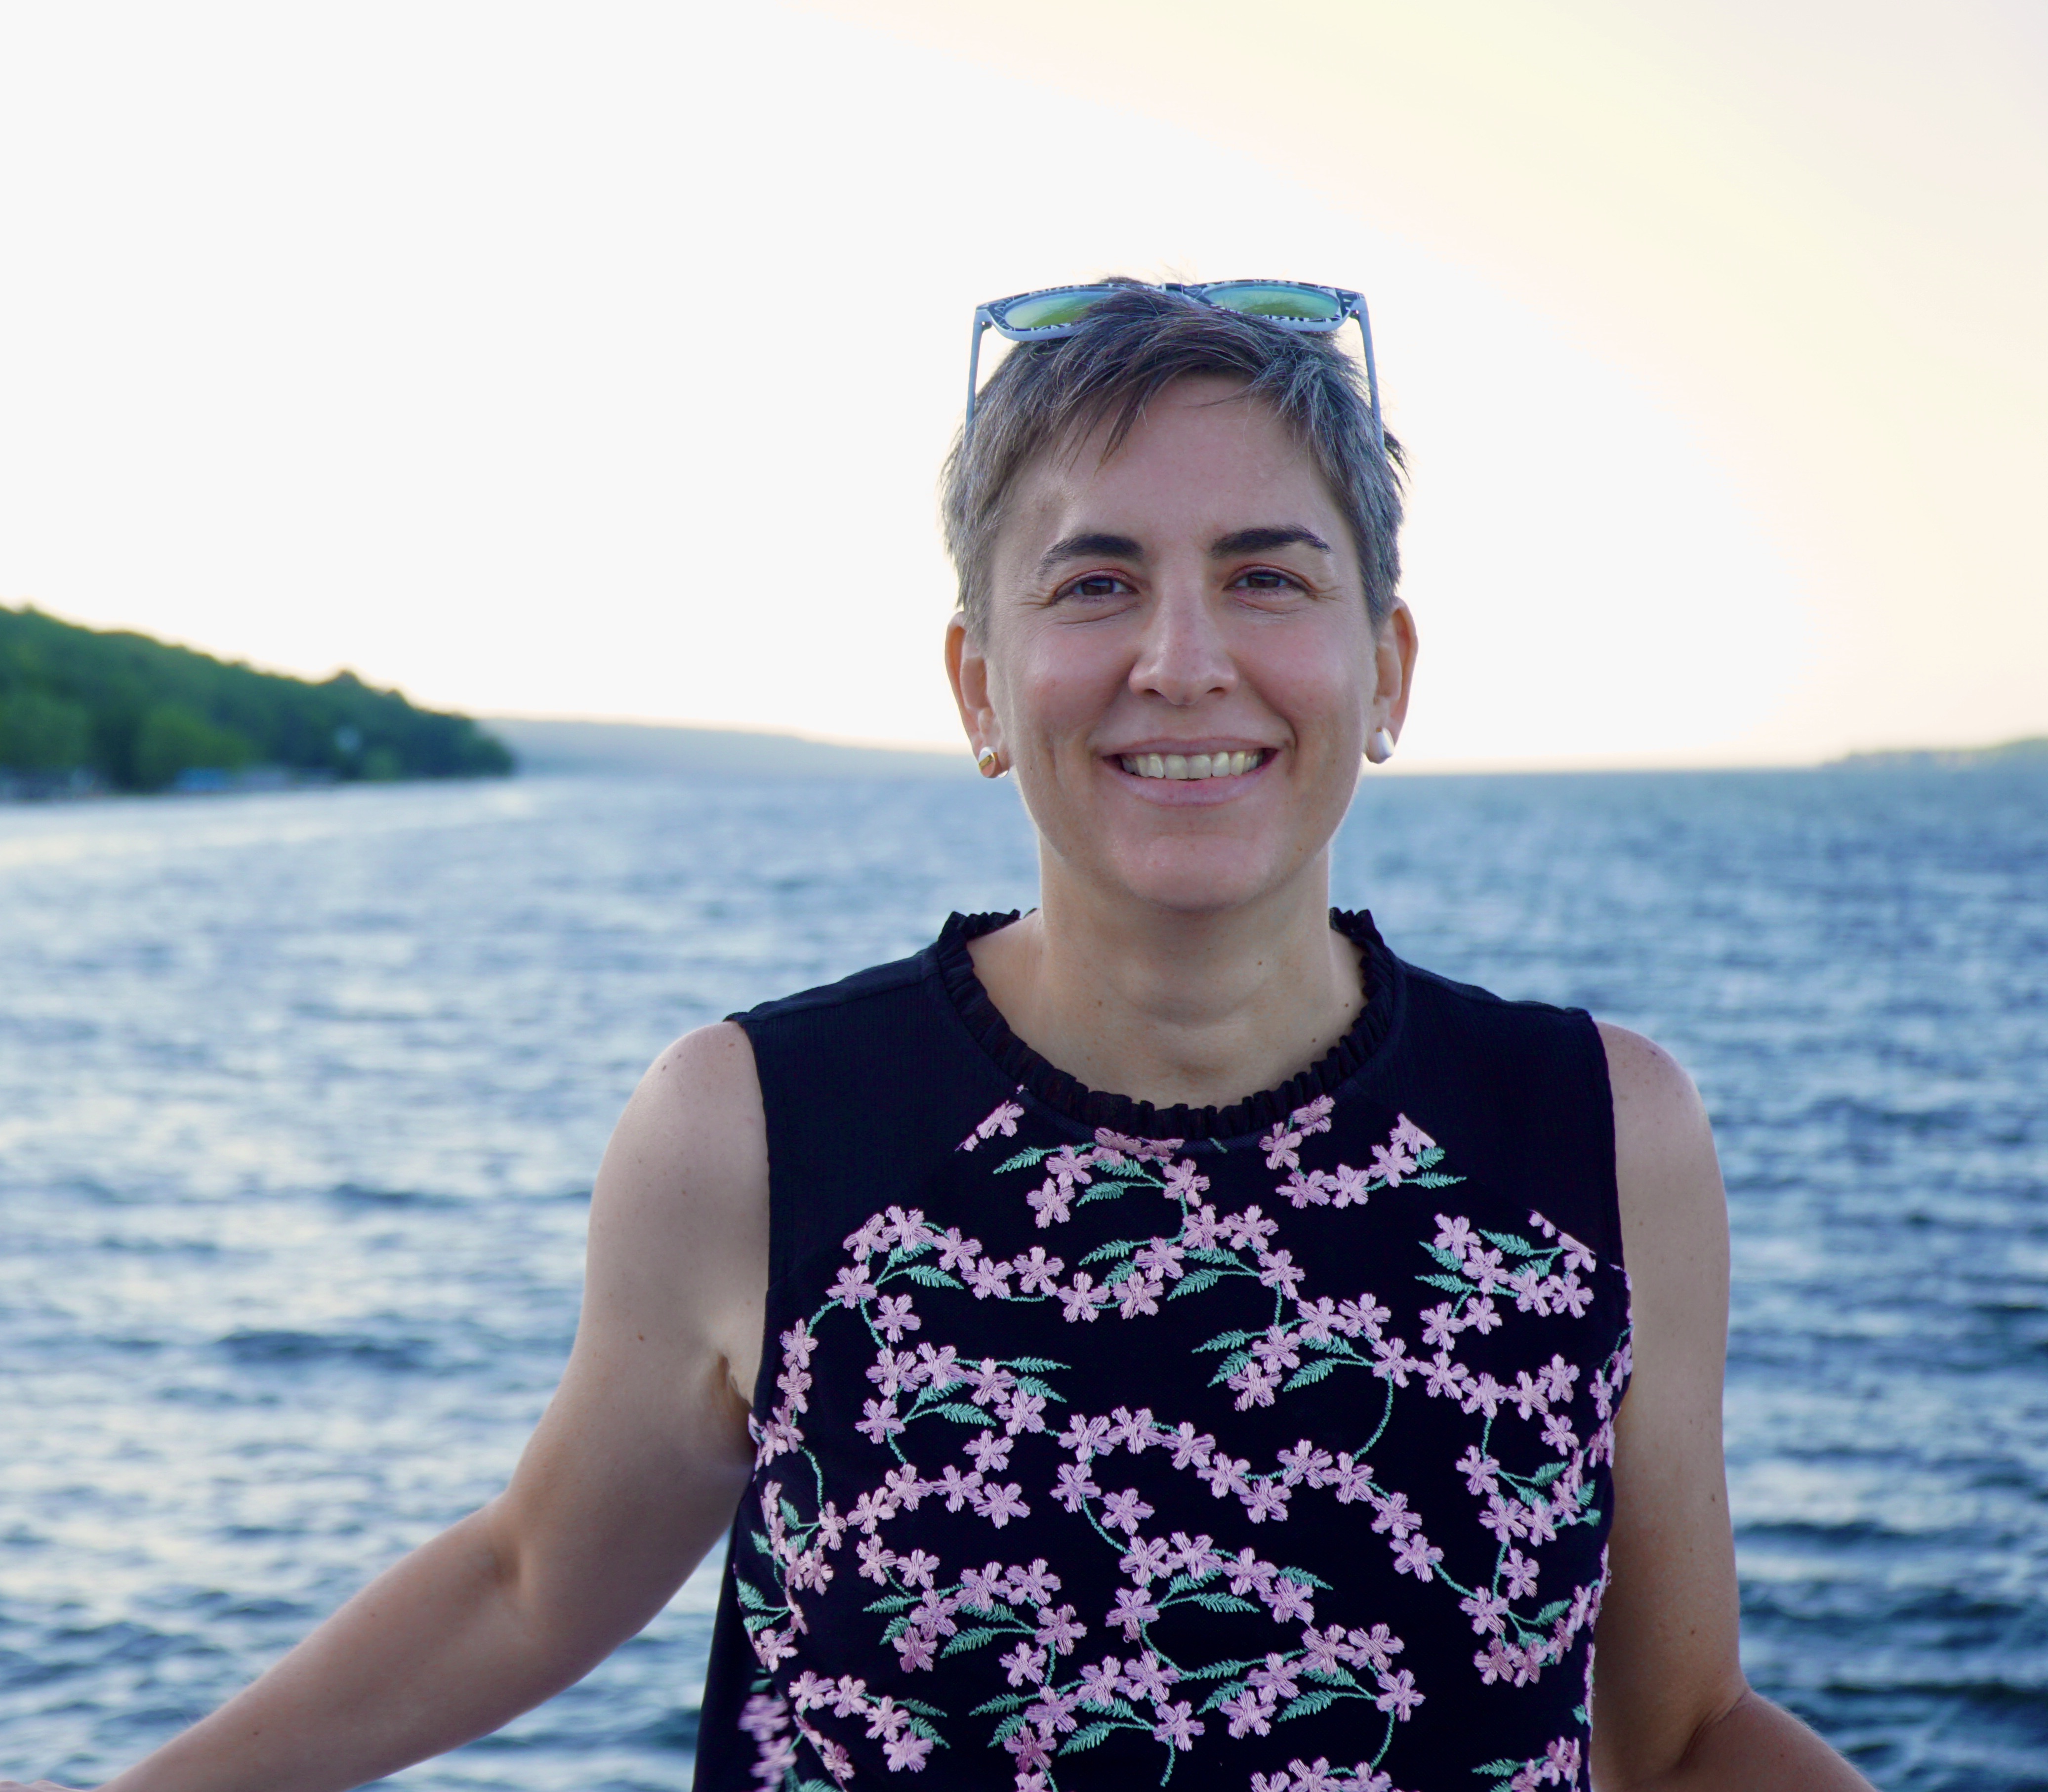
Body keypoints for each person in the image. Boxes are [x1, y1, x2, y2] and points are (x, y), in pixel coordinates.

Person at [4, 281, 1874, 1792]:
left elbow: (1681, 1733)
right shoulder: (760, 1122)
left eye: (1268, 573)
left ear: (1383, 671)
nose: (1181, 657)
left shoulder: (1596, 1135)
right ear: (982, 682)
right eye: (1092, 580)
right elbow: (521, 1583)